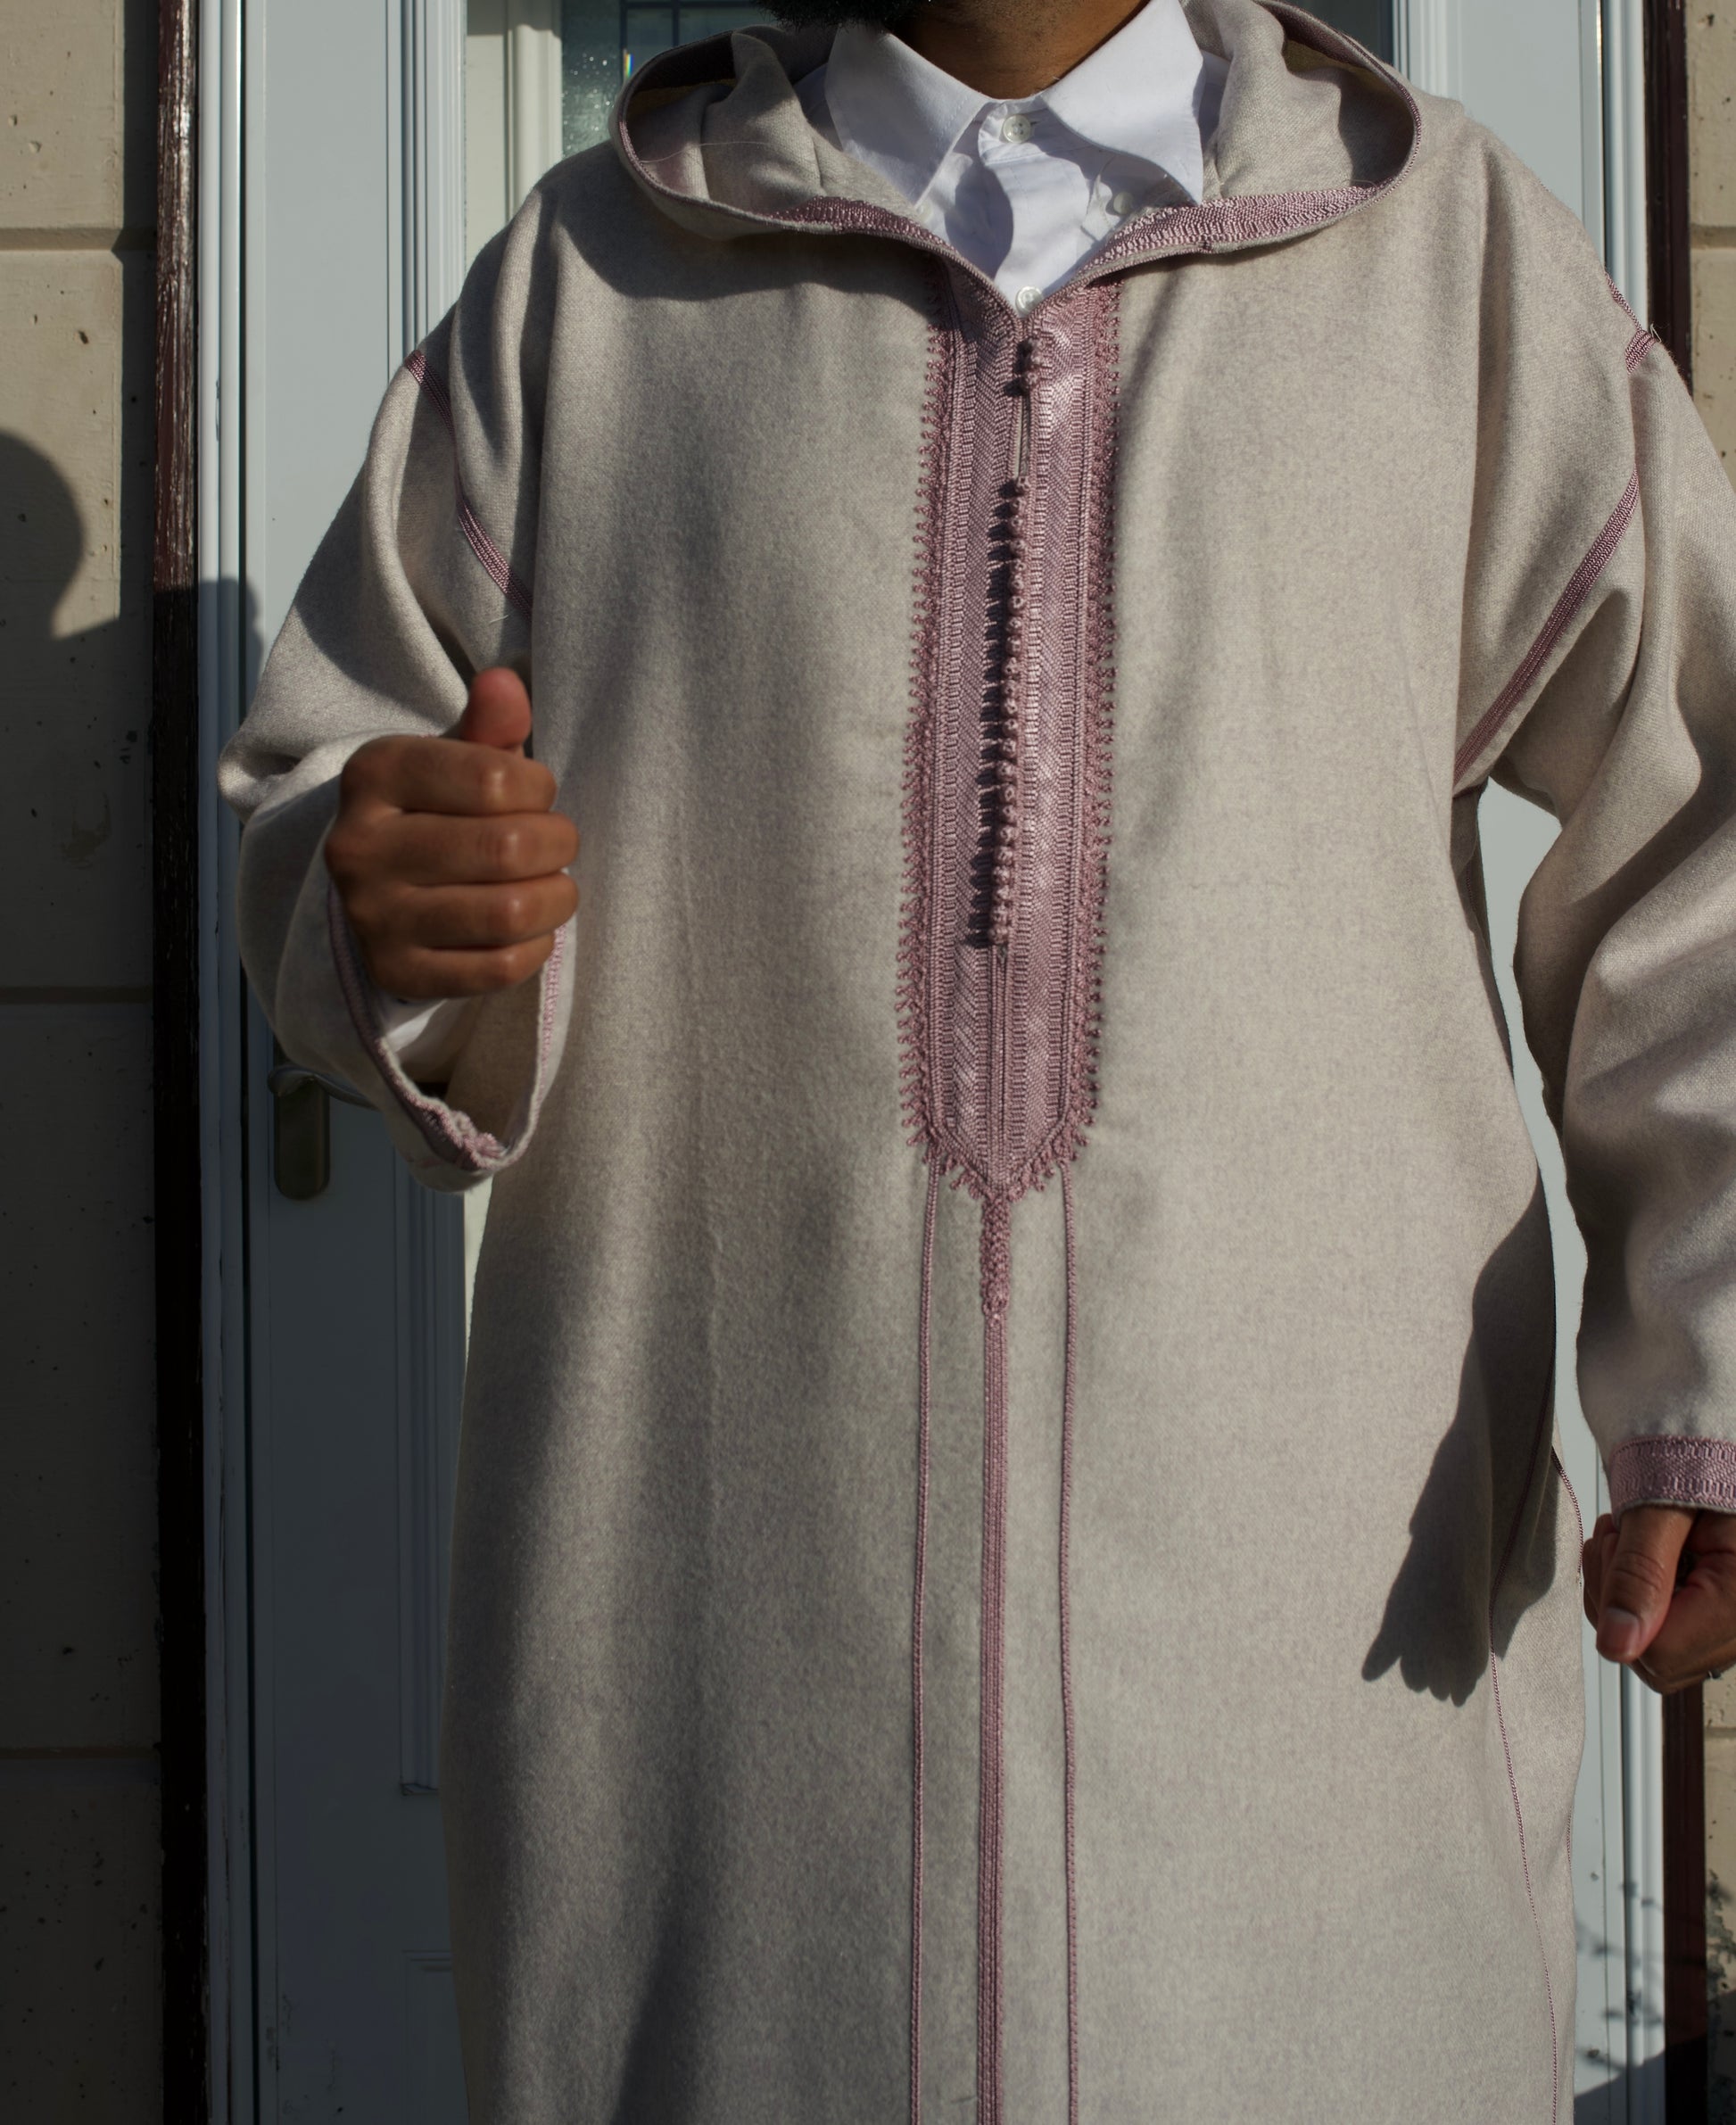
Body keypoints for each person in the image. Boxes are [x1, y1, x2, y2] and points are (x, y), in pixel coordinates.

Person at [219, 0, 1736, 2115]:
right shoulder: (593, 288)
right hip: (717, 1769)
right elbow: (326, 787)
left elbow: (1700, 816)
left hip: (1314, 1774)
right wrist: (378, 901)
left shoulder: (1439, 264)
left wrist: (1706, 1377)